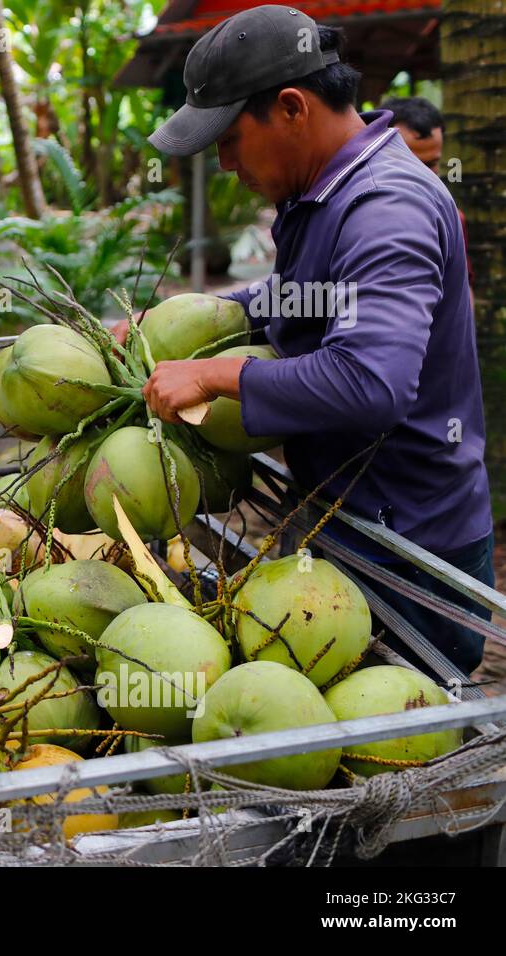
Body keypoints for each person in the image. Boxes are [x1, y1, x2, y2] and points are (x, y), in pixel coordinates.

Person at [132, 5, 495, 677]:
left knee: (409, 748)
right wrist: (199, 320)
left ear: (292, 108)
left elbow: (371, 382)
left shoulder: (386, 208)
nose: (225, 162)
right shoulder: (324, 195)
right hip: (346, 518)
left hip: (407, 545)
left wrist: (219, 377)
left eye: (231, 138)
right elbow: (302, 302)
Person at [381, 95, 472, 285]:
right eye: (408, 162)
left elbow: (461, 289)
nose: (420, 175)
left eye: (430, 164)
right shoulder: (350, 213)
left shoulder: (452, 220)